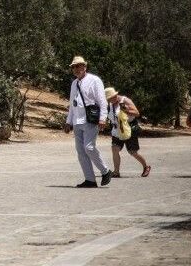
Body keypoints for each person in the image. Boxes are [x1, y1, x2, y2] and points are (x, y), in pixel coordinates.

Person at [63, 56, 111, 188]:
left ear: (85, 66)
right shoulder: (74, 83)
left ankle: (105, 171)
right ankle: (90, 179)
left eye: (79, 66)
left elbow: (102, 101)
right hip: (77, 121)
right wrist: (69, 122)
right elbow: (72, 104)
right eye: (74, 67)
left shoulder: (95, 80)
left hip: (90, 119)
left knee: (89, 147)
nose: (76, 69)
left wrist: (102, 118)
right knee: (81, 151)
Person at [103, 87, 150, 178]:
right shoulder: (110, 104)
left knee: (133, 152)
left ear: (116, 95)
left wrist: (126, 110)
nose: (111, 100)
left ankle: (146, 167)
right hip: (117, 130)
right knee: (114, 149)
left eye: (112, 97)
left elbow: (136, 113)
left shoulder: (125, 100)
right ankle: (116, 172)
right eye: (109, 99)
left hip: (128, 129)